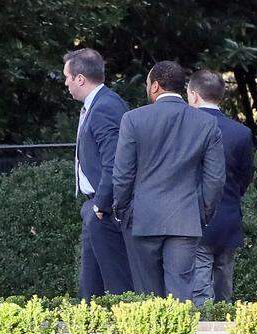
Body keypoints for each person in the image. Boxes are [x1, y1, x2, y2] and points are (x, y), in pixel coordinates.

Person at [111, 60, 225, 301]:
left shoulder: (133, 120)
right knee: (181, 294)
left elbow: (122, 174)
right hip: (185, 220)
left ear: (155, 87)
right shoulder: (206, 123)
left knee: (147, 297)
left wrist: (123, 210)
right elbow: (215, 179)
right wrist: (202, 213)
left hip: (142, 218)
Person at [63, 48, 133, 298]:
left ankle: (128, 325)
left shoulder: (105, 107)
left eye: (68, 77)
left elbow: (114, 161)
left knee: (117, 281)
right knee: (90, 284)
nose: (66, 83)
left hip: (104, 208)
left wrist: (101, 205)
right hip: (96, 207)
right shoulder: (100, 104)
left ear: (80, 78)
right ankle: (88, 326)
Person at [187, 69, 254, 305]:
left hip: (195, 216)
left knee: (200, 289)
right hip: (228, 216)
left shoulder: (187, 127)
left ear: (194, 95)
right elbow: (245, 177)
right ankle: (225, 331)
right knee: (224, 286)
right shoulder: (241, 133)